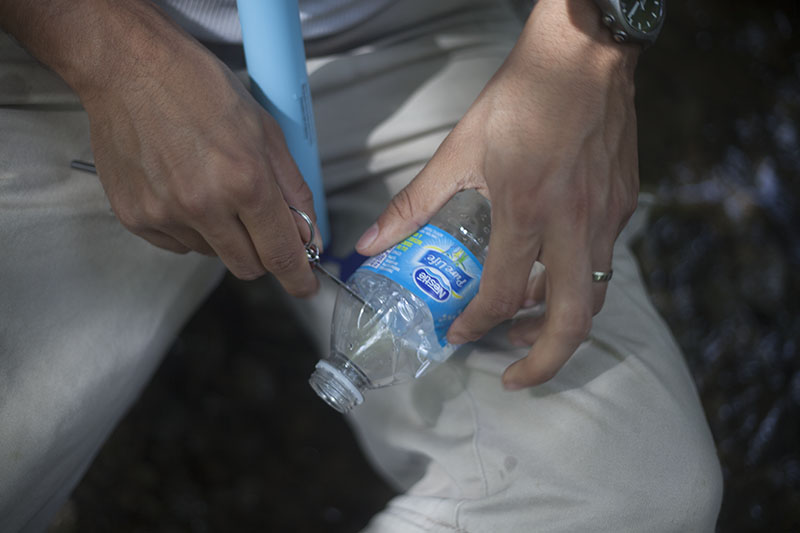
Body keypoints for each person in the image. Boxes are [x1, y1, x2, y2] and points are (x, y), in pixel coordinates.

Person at [0, 0, 723, 530]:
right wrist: (107, 53)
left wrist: (589, 51)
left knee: (634, 491)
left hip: (417, 42)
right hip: (79, 59)